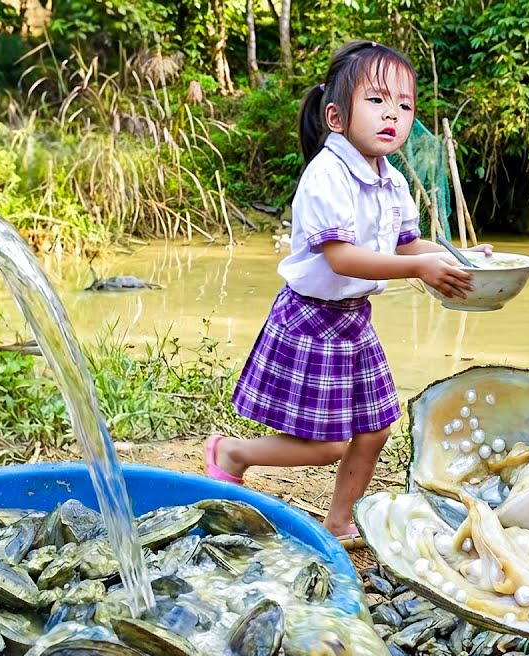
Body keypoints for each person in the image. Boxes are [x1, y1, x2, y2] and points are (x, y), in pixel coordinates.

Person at [204, 40, 487, 541]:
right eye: (377, 100)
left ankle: (339, 519)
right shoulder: (326, 175)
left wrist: (456, 259)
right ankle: (233, 453)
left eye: (405, 105)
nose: (393, 115)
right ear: (336, 116)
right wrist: (423, 269)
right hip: (311, 320)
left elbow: (405, 244)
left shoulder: (391, 181)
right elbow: (341, 257)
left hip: (353, 318)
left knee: (376, 427)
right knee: (328, 445)